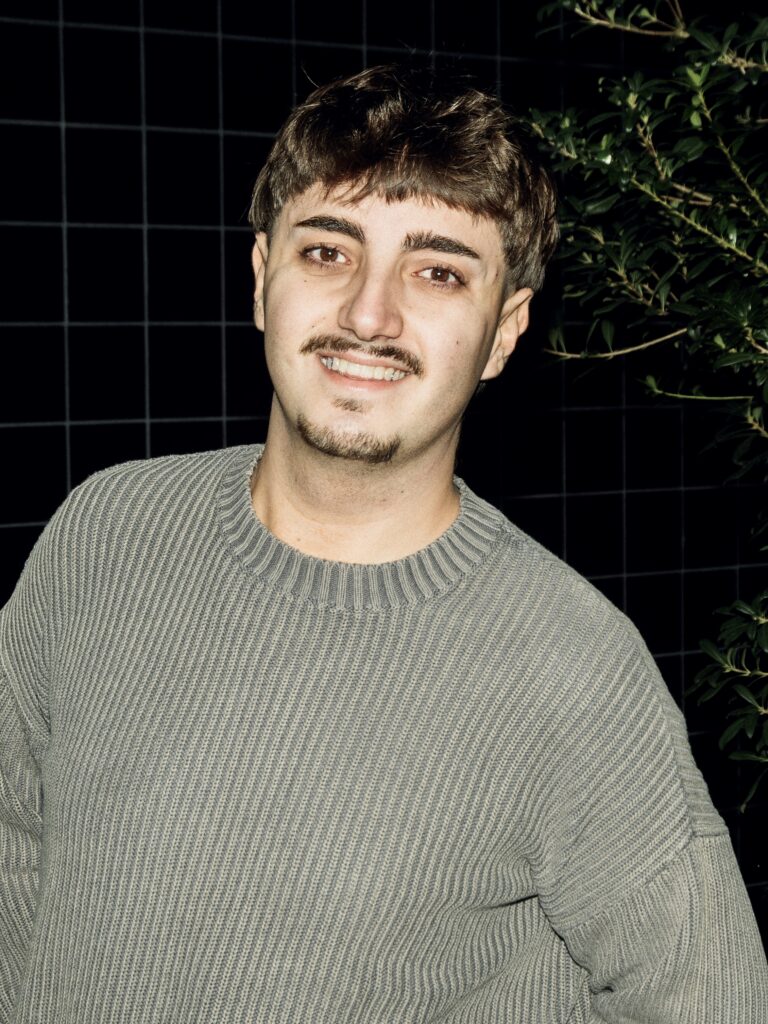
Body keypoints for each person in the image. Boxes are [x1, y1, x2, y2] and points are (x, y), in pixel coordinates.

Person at [1, 64, 766, 1024]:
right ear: (262, 278)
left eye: (438, 271)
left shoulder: (572, 667)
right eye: (328, 251)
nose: (369, 314)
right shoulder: (105, 537)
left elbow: (709, 999)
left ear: (504, 333)